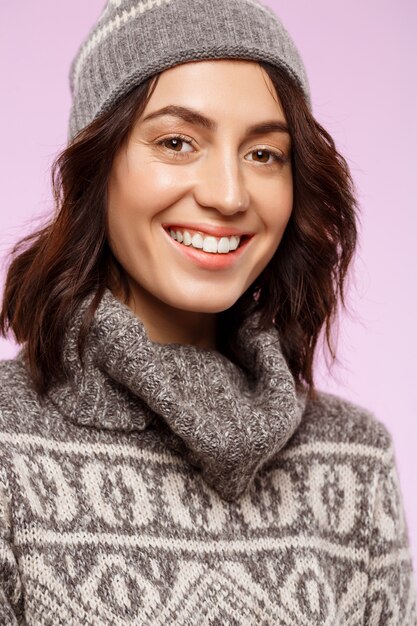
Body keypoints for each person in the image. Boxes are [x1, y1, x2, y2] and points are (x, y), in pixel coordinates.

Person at [0, 0, 415, 623]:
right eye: (176, 142)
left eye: (264, 154)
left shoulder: (352, 459)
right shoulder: (7, 448)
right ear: (98, 166)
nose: (227, 194)